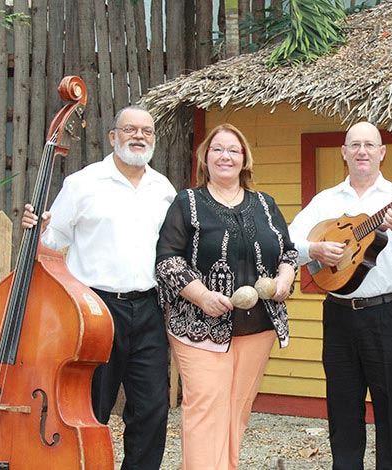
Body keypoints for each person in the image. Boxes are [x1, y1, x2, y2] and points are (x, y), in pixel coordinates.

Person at [22, 105, 175, 469]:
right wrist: (37, 227)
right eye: (129, 129)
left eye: (147, 131)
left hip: (150, 310)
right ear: (113, 137)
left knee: (151, 410)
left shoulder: (164, 190)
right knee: (91, 408)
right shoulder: (82, 184)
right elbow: (51, 243)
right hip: (94, 311)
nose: (139, 136)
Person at [288, 122, 392, 470]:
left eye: (370, 145)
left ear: (382, 152)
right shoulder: (325, 201)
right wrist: (316, 248)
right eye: (354, 145)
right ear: (344, 152)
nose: (362, 151)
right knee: (342, 405)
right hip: (338, 314)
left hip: (386, 315)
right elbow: (288, 244)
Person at [155, 123, 298, 470]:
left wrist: (284, 278)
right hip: (199, 328)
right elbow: (167, 260)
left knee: (236, 411)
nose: (225, 156)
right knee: (206, 410)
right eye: (217, 149)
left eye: (233, 150)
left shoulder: (265, 204)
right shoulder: (188, 202)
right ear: (205, 157)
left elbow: (289, 253)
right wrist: (201, 295)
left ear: (244, 159)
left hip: (257, 327)